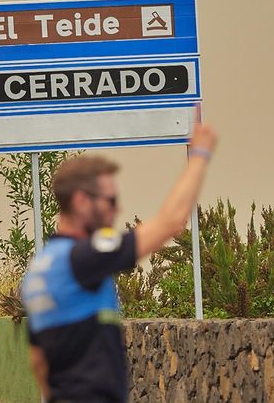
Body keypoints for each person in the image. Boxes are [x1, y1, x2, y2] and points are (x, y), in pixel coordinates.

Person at [20, 120, 218, 403]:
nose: (118, 209)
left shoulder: (40, 269)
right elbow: (170, 223)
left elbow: (38, 359)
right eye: (110, 200)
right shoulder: (83, 257)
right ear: (81, 201)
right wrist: (199, 155)